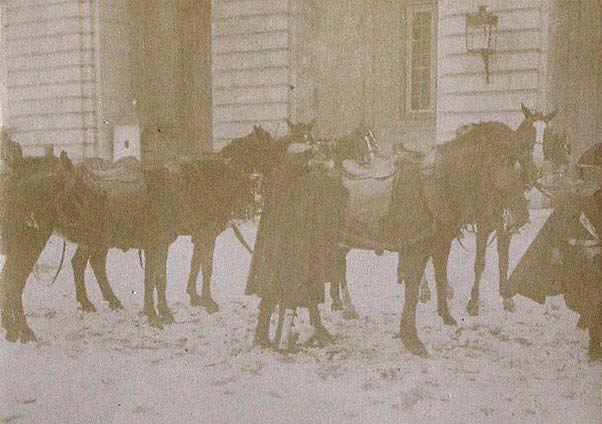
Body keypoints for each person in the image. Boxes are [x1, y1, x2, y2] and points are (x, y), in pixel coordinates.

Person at [246, 137, 345, 348]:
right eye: (306, 158)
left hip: (277, 248)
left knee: (276, 290)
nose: (308, 163)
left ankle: (265, 333)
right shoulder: (304, 183)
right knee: (291, 288)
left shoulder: (280, 179)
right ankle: (277, 338)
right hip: (295, 248)